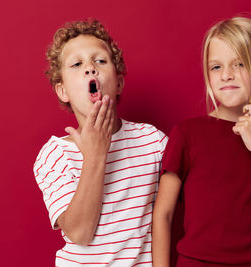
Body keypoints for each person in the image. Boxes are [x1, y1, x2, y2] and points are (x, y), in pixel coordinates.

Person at [152, 16, 251, 267]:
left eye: (239, 64)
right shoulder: (187, 134)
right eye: (216, 67)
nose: (227, 75)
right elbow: (163, 214)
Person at [33, 19, 168, 266]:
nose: (90, 69)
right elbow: (80, 233)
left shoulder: (152, 142)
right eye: (77, 64)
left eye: (101, 61)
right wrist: (95, 157)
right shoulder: (55, 154)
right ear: (62, 91)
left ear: (118, 83)